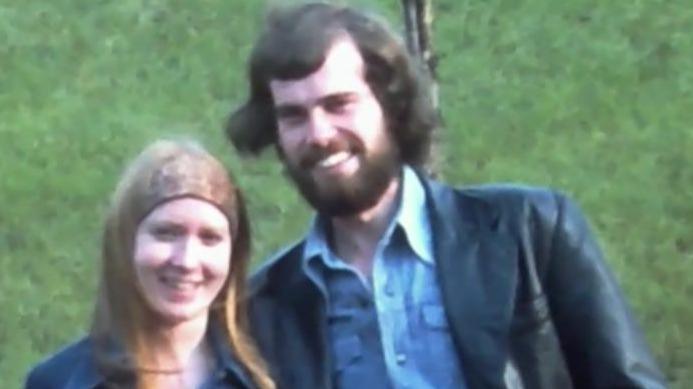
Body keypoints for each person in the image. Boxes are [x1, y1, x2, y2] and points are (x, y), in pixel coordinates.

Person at [225, 2, 667, 389]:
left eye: (339, 104)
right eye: (293, 116)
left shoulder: (530, 234)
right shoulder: (266, 309)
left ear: (391, 106)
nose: (319, 134)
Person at [25, 139, 274, 389]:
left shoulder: (274, 370)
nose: (187, 260)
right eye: (166, 233)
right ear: (125, 242)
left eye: (209, 238)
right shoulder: (60, 381)